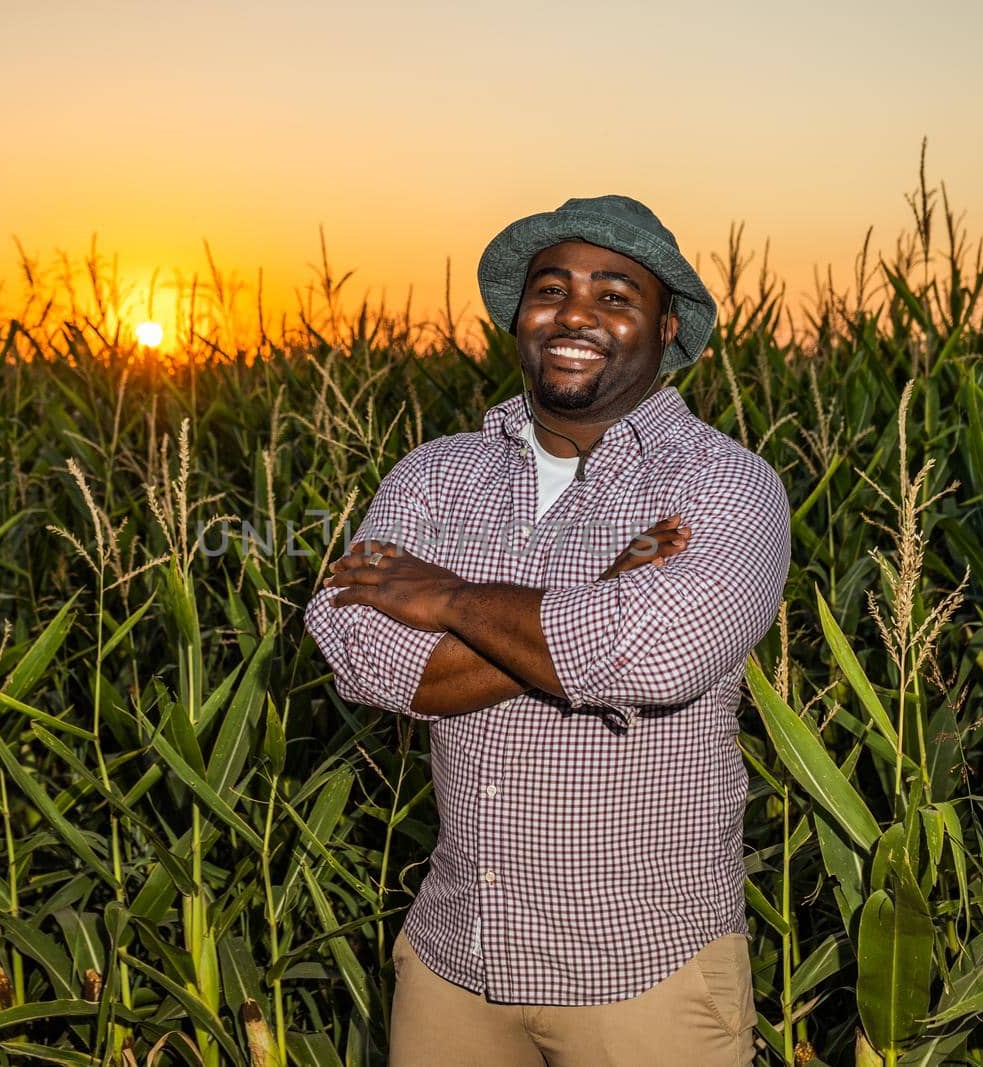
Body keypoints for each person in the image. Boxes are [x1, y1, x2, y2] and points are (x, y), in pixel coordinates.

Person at [302, 194, 790, 1066]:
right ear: (519, 317)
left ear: (667, 325)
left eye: (614, 295)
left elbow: (662, 652)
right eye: (551, 290)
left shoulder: (725, 482)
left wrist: (449, 597)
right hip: (456, 961)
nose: (574, 314)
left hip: (646, 975)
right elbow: (360, 651)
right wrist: (597, 593)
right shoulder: (437, 473)